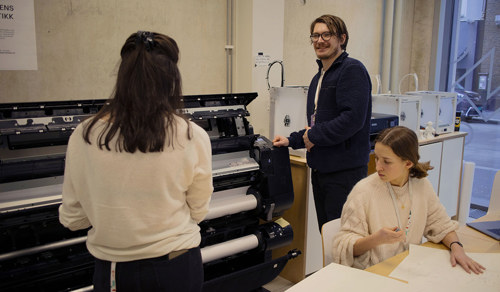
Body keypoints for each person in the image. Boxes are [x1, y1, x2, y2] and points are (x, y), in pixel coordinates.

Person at [58, 31, 213, 292]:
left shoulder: (83, 135)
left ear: (123, 77)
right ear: (172, 79)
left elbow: (73, 219)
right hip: (176, 267)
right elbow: (199, 209)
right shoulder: (191, 135)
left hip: (114, 273)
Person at [332, 126, 485, 274]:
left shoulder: (421, 185)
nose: (378, 167)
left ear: (408, 163)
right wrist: (376, 239)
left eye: (386, 161)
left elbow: (440, 225)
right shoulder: (363, 191)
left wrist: (457, 247)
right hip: (374, 273)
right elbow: (344, 246)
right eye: (377, 158)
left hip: (409, 267)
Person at [273, 14, 372, 232]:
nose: (320, 40)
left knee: (346, 239)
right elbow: (316, 125)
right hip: (322, 171)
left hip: (344, 173)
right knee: (328, 235)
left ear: (342, 38)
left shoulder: (352, 70)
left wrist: (312, 136)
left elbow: (352, 120)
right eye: (316, 35)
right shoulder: (319, 77)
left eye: (327, 34)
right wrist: (292, 139)